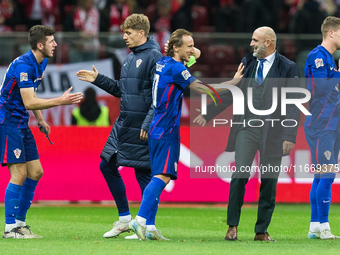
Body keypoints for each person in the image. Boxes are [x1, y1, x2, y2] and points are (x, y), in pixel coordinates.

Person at [128, 28, 244, 241]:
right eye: (188, 46)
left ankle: (150, 226)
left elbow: (193, 56)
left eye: (193, 45)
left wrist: (187, 48)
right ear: (175, 47)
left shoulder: (164, 63)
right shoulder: (177, 70)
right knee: (162, 177)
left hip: (156, 127)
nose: (193, 50)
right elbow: (206, 90)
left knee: (157, 176)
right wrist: (233, 84)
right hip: (167, 130)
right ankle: (141, 220)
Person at [194, 27, 301, 241]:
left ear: (268, 43)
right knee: (239, 175)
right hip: (247, 128)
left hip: (274, 132)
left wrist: (289, 135)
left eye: (255, 40)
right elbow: (233, 92)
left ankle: (261, 231)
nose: (251, 44)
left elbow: (293, 103)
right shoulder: (248, 62)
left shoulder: (288, 68)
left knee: (269, 180)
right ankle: (232, 226)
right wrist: (208, 113)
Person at [76, 13, 165, 240]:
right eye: (124, 32)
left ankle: (147, 225)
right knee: (106, 166)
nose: (124, 37)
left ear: (142, 33)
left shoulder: (155, 57)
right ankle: (125, 219)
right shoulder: (129, 58)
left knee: (144, 175)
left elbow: (160, 96)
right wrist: (98, 79)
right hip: (124, 123)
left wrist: (148, 122)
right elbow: (121, 90)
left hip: (141, 126)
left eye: (128, 33)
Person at [0, 25, 83, 239]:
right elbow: (28, 101)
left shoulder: (42, 62)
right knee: (19, 174)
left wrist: (40, 119)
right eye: (51, 41)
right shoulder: (24, 66)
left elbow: (32, 95)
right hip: (7, 122)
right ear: (40, 45)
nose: (55, 44)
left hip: (21, 122)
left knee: (36, 172)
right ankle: (10, 229)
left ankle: (20, 223)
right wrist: (61, 101)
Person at [304, 16, 340, 240]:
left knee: (321, 175)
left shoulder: (330, 59)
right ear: (331, 33)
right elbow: (319, 88)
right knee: (326, 175)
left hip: (331, 123)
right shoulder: (318, 56)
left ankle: (315, 227)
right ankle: (324, 226)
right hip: (320, 123)